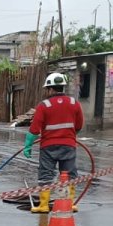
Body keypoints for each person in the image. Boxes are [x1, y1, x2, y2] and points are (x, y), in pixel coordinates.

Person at [23, 72, 83, 213]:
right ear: (62, 87)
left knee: (46, 174)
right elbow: (79, 126)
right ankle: (69, 203)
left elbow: (34, 129)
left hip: (48, 147)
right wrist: (68, 136)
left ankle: (43, 205)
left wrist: (28, 146)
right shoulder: (74, 103)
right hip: (68, 145)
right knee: (69, 174)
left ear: (50, 89)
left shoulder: (44, 105)